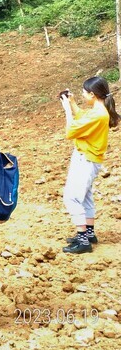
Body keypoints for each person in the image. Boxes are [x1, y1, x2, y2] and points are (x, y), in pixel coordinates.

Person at [59, 76, 118, 254]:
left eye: (84, 93)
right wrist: (73, 103)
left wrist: (66, 110)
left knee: (72, 198)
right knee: (85, 197)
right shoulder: (97, 111)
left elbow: (70, 131)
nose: (83, 95)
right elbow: (82, 116)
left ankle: (83, 239)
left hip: (86, 159)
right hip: (89, 158)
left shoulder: (98, 114)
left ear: (92, 94)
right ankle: (89, 233)